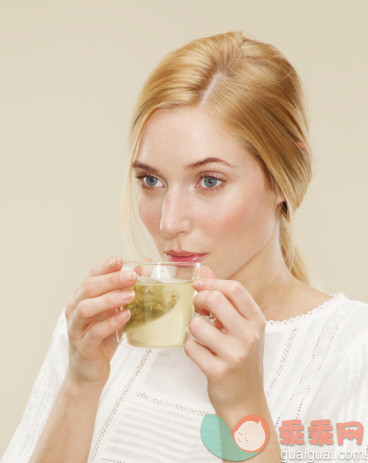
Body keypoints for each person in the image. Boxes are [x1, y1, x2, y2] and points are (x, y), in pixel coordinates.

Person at [2, 30, 368, 463]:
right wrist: (80, 385)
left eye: (209, 181)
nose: (169, 222)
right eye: (151, 181)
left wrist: (243, 406)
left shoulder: (351, 353)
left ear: (282, 178)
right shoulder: (97, 333)